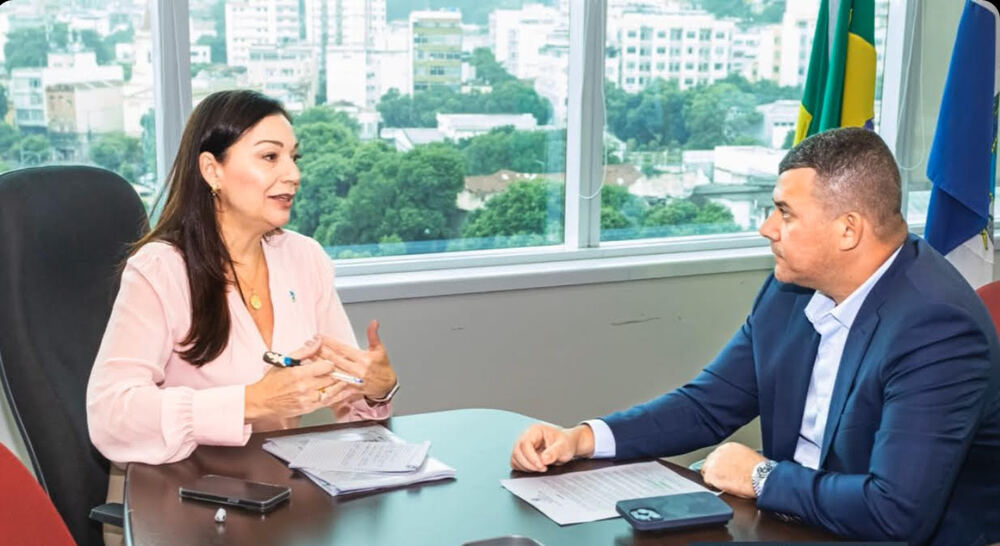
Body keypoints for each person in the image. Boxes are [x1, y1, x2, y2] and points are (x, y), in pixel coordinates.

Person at [510, 127, 1000, 545]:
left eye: (785, 213)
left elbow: (897, 513)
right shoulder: (791, 289)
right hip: (791, 521)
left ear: (848, 230)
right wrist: (583, 438)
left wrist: (760, 476)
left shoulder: (937, 328)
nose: (767, 228)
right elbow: (708, 405)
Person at [87, 89, 400, 468]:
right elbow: (110, 414)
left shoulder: (305, 258)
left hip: (277, 497)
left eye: (293, 157)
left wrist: (374, 388)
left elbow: (346, 399)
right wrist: (253, 401)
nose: (294, 174)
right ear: (211, 170)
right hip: (179, 501)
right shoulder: (160, 269)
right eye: (270, 157)